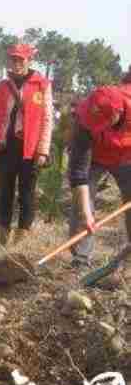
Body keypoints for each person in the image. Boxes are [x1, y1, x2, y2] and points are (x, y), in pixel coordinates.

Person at [0, 43, 53, 246]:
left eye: (20, 59)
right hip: (5, 147)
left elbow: (47, 119)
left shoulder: (42, 84)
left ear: (29, 61)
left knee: (27, 195)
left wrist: (43, 150)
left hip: (30, 148)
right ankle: (3, 237)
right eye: (13, 59)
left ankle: (21, 240)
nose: (16, 63)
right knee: (5, 194)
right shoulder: (3, 86)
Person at [68, 84, 131, 268]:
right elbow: (79, 172)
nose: (98, 127)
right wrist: (87, 214)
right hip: (95, 157)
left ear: (117, 113)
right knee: (82, 205)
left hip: (128, 156)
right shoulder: (85, 117)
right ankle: (81, 258)